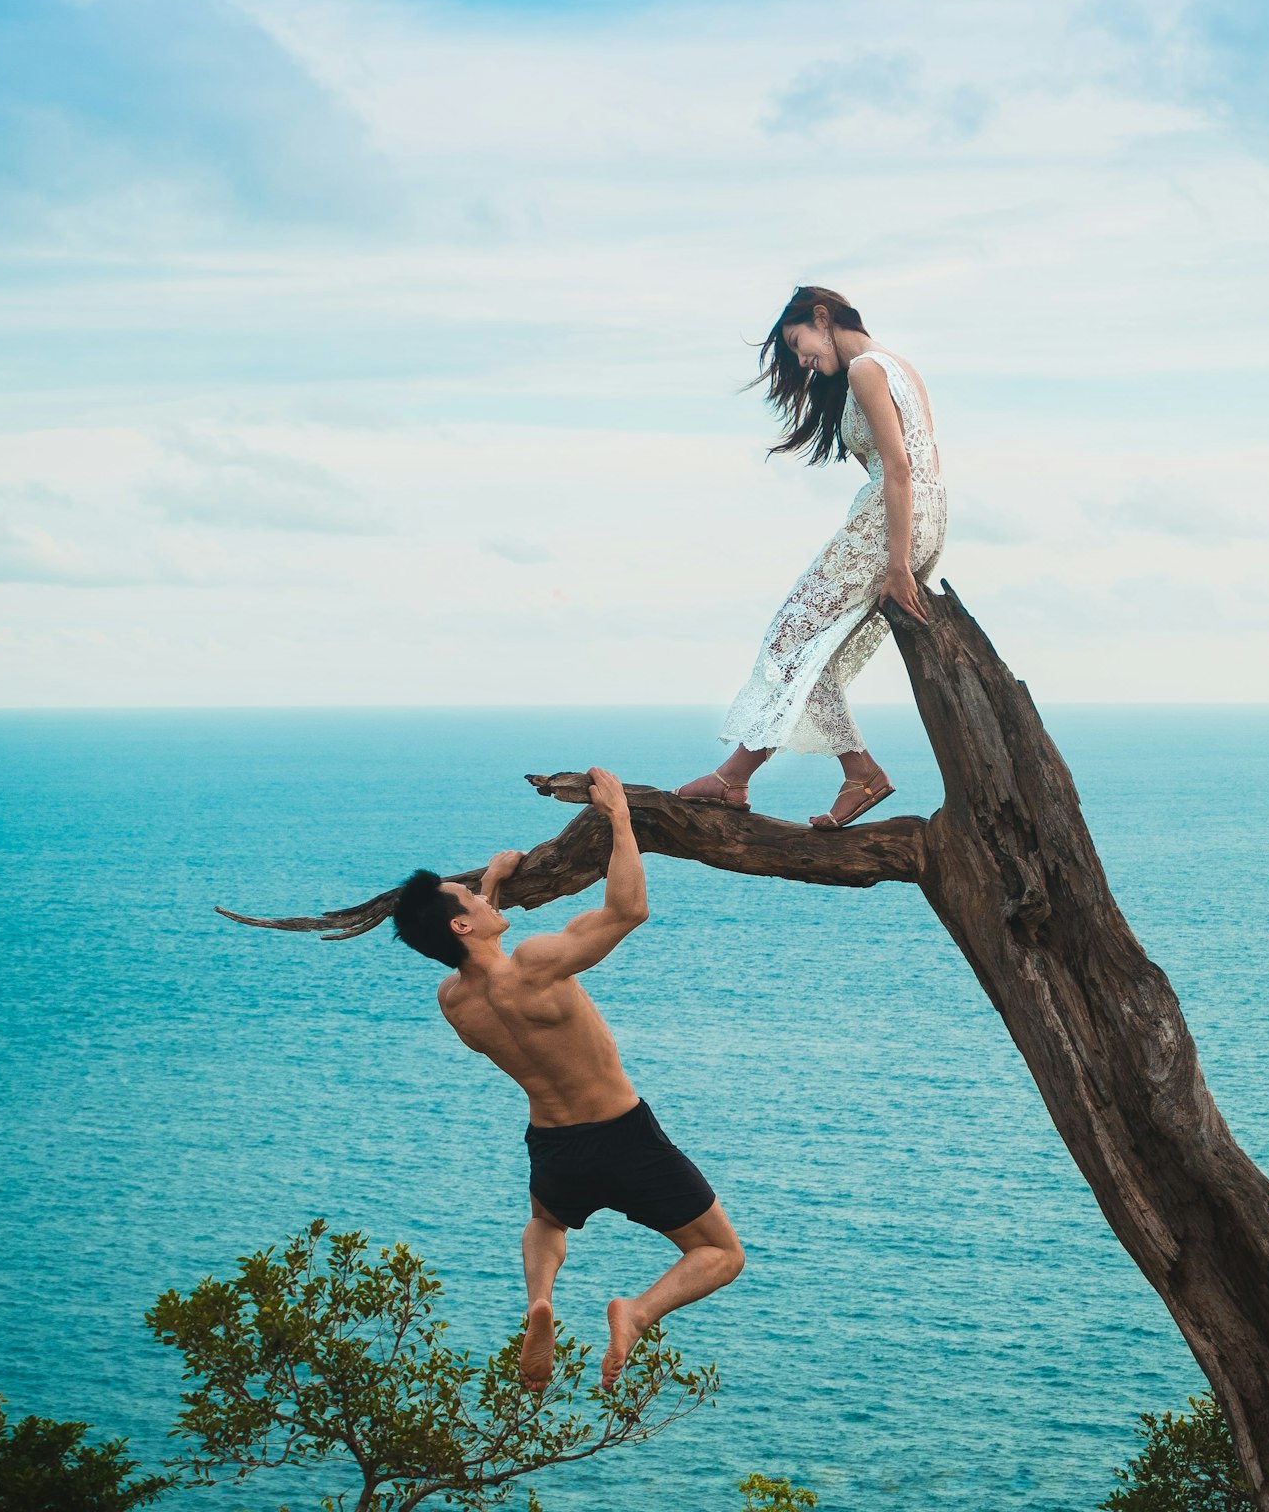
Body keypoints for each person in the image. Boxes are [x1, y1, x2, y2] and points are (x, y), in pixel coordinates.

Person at [390, 767, 743, 1394]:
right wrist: (620, 818)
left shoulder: (454, 1002)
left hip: (554, 1144)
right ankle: (636, 1312)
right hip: (623, 1134)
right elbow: (627, 908)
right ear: (462, 926)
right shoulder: (535, 964)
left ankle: (540, 1300)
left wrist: (494, 883)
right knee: (719, 1255)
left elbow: (478, 962)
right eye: (468, 896)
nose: (477, 894)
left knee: (548, 1222)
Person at [677, 284, 946, 829]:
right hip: (925, 519)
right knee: (807, 649)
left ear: (822, 318)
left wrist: (897, 563)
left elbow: (898, 466)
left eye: (799, 343)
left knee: (787, 638)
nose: (802, 361)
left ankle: (850, 773)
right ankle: (746, 776)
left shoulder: (866, 371)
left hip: (889, 524)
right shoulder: (900, 366)